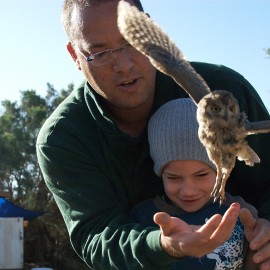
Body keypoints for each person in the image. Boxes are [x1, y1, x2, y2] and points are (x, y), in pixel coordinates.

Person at [36, 0, 270, 269]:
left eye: (131, 41)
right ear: (75, 56)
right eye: (99, 53)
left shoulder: (225, 91)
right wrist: (162, 245)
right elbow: (97, 236)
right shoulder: (63, 138)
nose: (123, 65)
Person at [129, 98, 259, 269]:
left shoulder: (241, 213)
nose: (188, 191)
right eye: (174, 178)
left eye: (201, 175)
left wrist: (256, 251)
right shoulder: (141, 220)